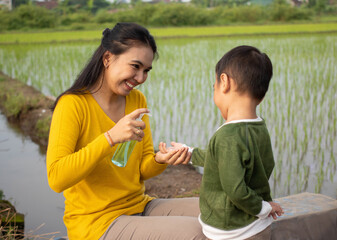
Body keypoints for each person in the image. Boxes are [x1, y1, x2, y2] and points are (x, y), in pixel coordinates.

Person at [46, 22, 205, 240]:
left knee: (220, 213)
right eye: (135, 66)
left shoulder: (136, 100)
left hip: (139, 206)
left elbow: (141, 170)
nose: (140, 78)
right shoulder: (72, 105)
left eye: (146, 70)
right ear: (108, 58)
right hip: (97, 223)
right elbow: (56, 178)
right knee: (195, 234)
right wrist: (110, 138)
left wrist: (160, 160)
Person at [160, 45, 284, 239]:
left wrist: (263, 208)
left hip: (233, 230)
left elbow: (235, 190)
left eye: (214, 87)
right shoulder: (259, 127)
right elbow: (226, 160)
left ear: (224, 82)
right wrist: (190, 153)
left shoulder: (228, 135)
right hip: (258, 226)